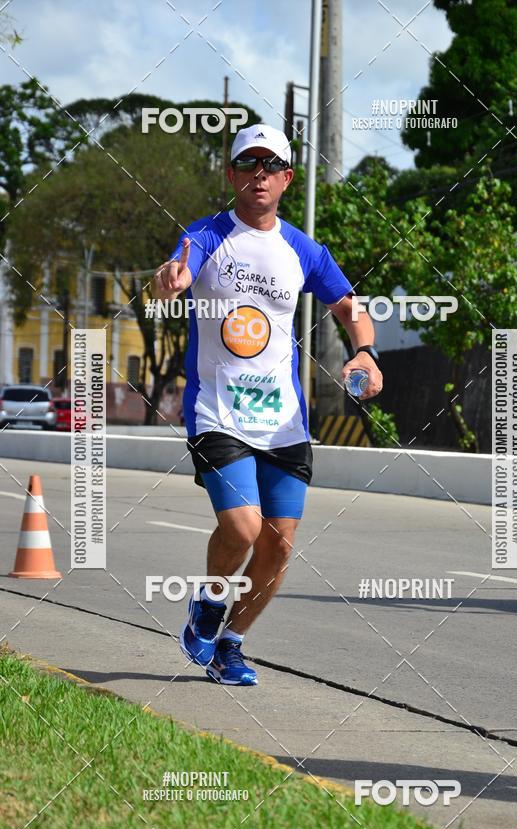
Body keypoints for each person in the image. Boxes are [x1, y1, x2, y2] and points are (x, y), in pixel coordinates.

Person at [154, 123, 382, 686]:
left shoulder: (303, 249)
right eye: (248, 164)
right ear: (231, 174)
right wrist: (170, 280)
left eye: (270, 165)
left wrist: (366, 352)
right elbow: (176, 271)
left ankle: (230, 644)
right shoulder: (207, 236)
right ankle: (210, 601)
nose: (259, 174)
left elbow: (350, 308)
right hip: (218, 412)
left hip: (284, 422)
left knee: (278, 547)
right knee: (243, 527)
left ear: (287, 178)